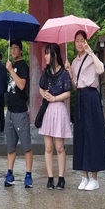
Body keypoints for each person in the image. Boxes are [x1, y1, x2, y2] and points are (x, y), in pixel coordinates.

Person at [65, 30, 105, 191]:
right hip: (80, 97)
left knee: (93, 135)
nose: (79, 43)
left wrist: (91, 52)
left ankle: (94, 178)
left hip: (91, 97)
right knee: (81, 136)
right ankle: (84, 176)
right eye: (77, 40)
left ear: (86, 41)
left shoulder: (91, 57)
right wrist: (69, 72)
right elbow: (75, 86)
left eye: (82, 40)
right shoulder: (74, 61)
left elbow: (101, 69)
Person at [38, 43, 73, 190]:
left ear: (54, 55)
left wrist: (55, 98)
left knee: (59, 147)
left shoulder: (64, 73)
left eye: (47, 53)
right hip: (47, 109)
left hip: (59, 108)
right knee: (48, 147)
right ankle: (50, 178)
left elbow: (68, 92)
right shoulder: (46, 72)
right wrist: (44, 94)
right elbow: (40, 87)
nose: (45, 56)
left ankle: (61, 177)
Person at [3, 39, 33, 188]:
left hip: (20, 112)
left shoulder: (23, 66)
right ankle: (10, 173)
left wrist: (10, 70)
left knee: (26, 146)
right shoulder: (11, 65)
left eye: (16, 48)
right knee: (10, 146)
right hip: (10, 111)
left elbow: (21, 85)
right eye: (12, 48)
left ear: (20, 50)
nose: (13, 50)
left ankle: (28, 174)